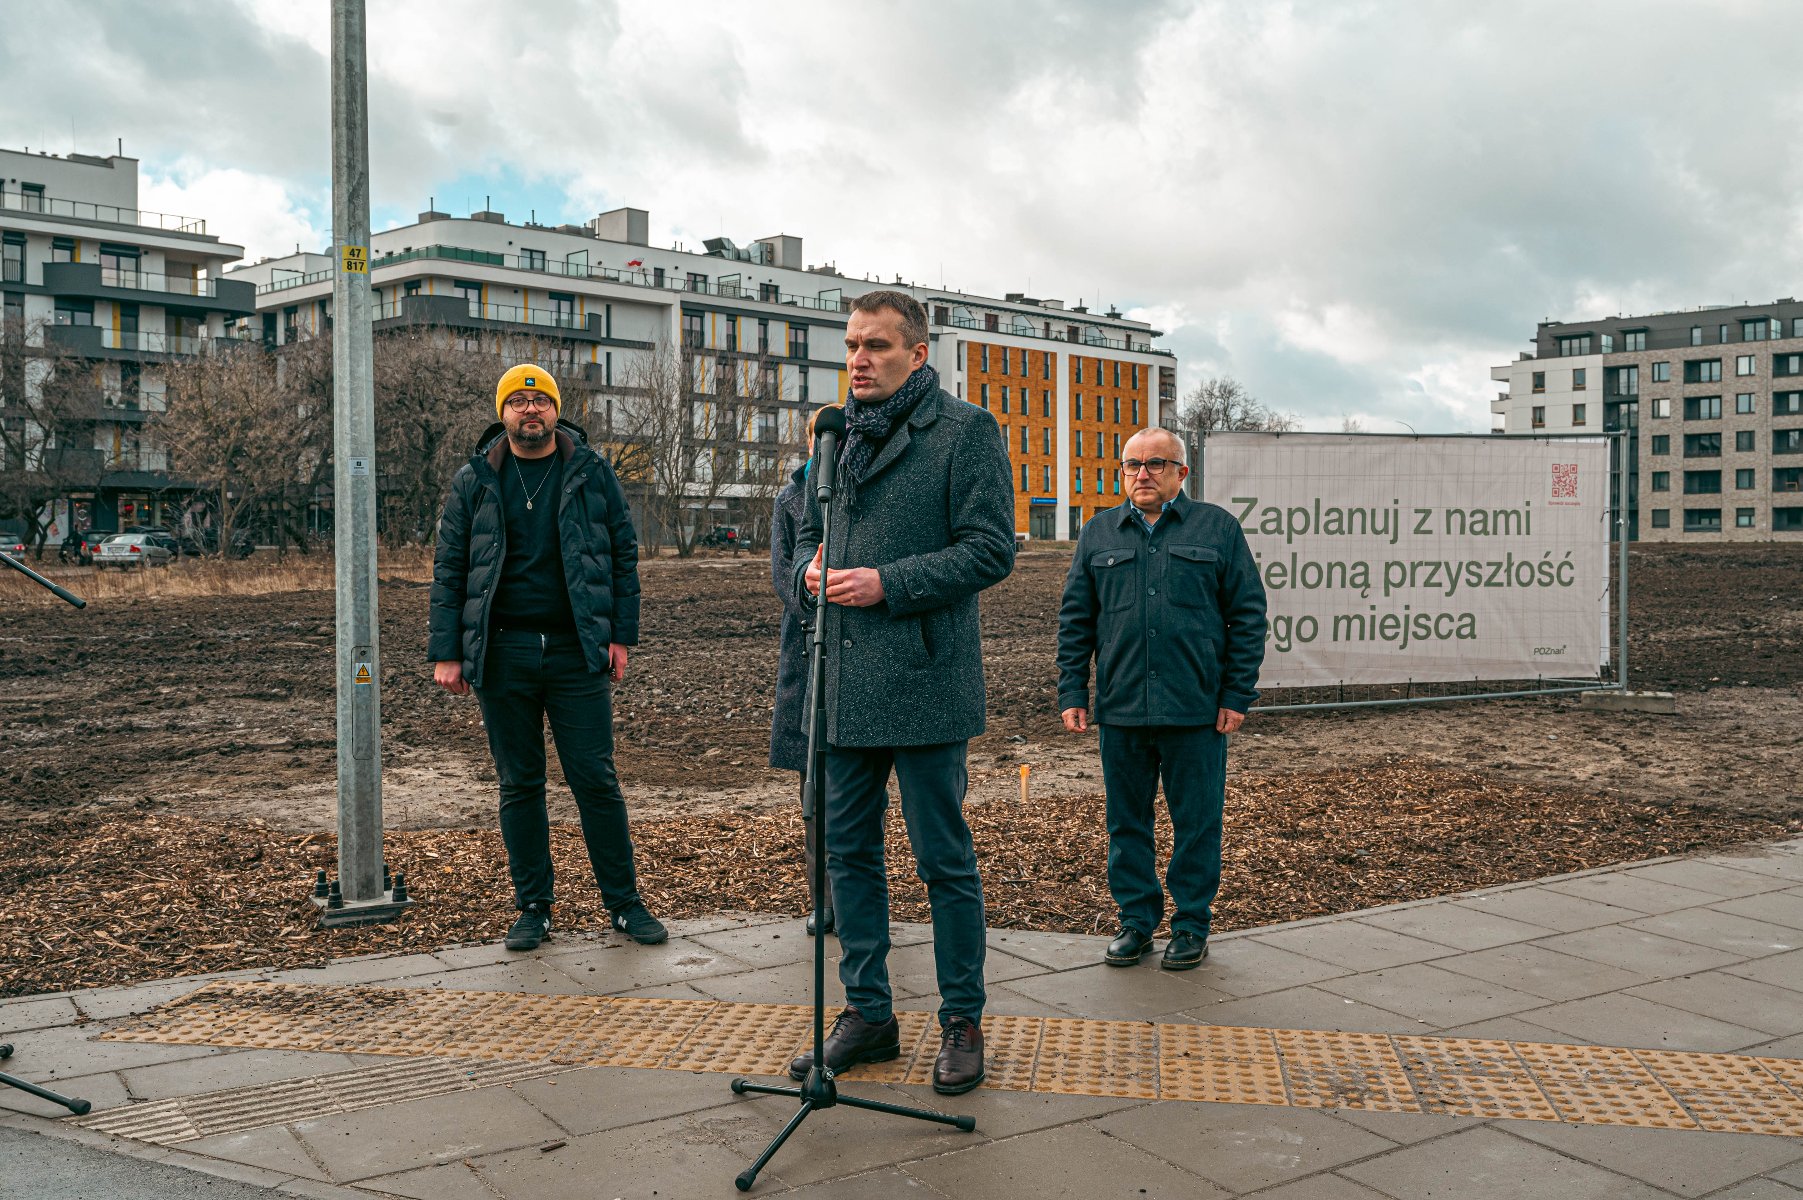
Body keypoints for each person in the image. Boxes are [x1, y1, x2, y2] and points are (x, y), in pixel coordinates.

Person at [786, 290, 1015, 1096]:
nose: (857, 360)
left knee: (942, 860)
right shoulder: (834, 434)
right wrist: (805, 572)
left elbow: (990, 550)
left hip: (923, 681)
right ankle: (869, 1013)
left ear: (918, 354)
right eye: (850, 345)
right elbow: (807, 530)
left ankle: (961, 1020)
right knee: (847, 856)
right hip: (842, 683)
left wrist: (888, 582)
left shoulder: (964, 431)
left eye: (876, 346)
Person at [428, 363, 666, 952]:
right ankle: (533, 907)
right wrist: (447, 652)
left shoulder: (590, 472)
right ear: (502, 412)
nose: (529, 410)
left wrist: (619, 636)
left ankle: (624, 903)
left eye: (540, 401)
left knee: (596, 779)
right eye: (518, 401)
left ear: (556, 410)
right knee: (520, 784)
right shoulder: (475, 480)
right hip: (503, 650)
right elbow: (450, 569)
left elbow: (622, 555)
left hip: (574, 649)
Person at [1055, 427, 1267, 970]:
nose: (1141, 474)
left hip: (1194, 708)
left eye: (1155, 464)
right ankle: (1136, 923)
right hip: (1122, 707)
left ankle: (1191, 925)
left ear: (1180, 473)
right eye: (1131, 465)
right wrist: (1073, 689)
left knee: (1196, 822)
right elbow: (1077, 619)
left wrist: (1236, 694)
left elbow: (1247, 616)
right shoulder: (1099, 532)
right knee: (1126, 824)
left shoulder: (1216, 528)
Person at [769, 406, 841, 936]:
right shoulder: (792, 498)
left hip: (863, 651)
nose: (826, 445)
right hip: (806, 654)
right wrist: (816, 599)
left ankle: (858, 896)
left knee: (859, 795)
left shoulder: (862, 487)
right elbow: (783, 574)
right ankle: (823, 900)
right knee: (812, 791)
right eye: (819, 437)